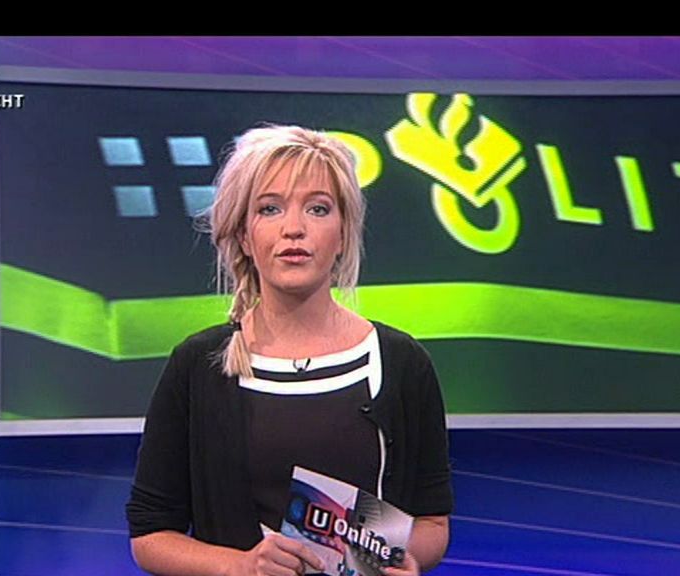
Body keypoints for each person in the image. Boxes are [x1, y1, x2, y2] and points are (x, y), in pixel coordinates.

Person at [126, 124, 453, 576]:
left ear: (343, 233)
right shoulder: (199, 365)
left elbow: (432, 522)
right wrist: (242, 566)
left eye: (318, 209)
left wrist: (397, 560)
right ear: (244, 235)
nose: (294, 229)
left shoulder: (400, 363)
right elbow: (150, 535)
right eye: (270, 208)